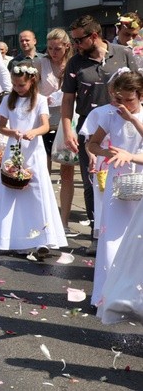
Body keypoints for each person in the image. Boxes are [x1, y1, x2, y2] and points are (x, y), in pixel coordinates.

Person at [61, 14, 136, 255]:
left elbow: (139, 86)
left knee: (128, 179)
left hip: (125, 125)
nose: (76, 46)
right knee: (93, 181)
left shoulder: (123, 53)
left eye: (79, 40)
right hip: (90, 126)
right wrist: (67, 128)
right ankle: (97, 234)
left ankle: (130, 233)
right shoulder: (75, 63)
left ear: (94, 36)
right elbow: (68, 98)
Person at [0, 64, 67, 256]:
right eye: (14, 85)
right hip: (14, 147)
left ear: (31, 82)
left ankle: (42, 237)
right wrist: (12, 132)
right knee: (12, 189)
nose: (17, 88)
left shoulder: (39, 100)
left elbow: (46, 125)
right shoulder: (8, 100)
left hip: (33, 150)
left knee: (37, 190)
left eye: (21, 85)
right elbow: (2, 127)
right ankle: (8, 236)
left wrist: (34, 131)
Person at [86, 70, 143, 306]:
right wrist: (105, 152)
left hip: (139, 177)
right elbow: (92, 143)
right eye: (119, 99)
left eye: (129, 100)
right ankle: (106, 296)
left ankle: (134, 295)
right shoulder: (109, 115)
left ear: (140, 96)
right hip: (117, 181)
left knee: (137, 240)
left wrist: (132, 121)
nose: (123, 105)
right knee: (111, 239)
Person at [35, 28, 76, 237]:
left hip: (66, 123)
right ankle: (45, 218)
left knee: (67, 172)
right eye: (50, 48)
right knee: (44, 172)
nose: (53, 52)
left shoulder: (73, 63)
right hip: (45, 123)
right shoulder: (41, 63)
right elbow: (32, 90)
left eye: (57, 48)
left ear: (66, 46)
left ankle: (65, 220)